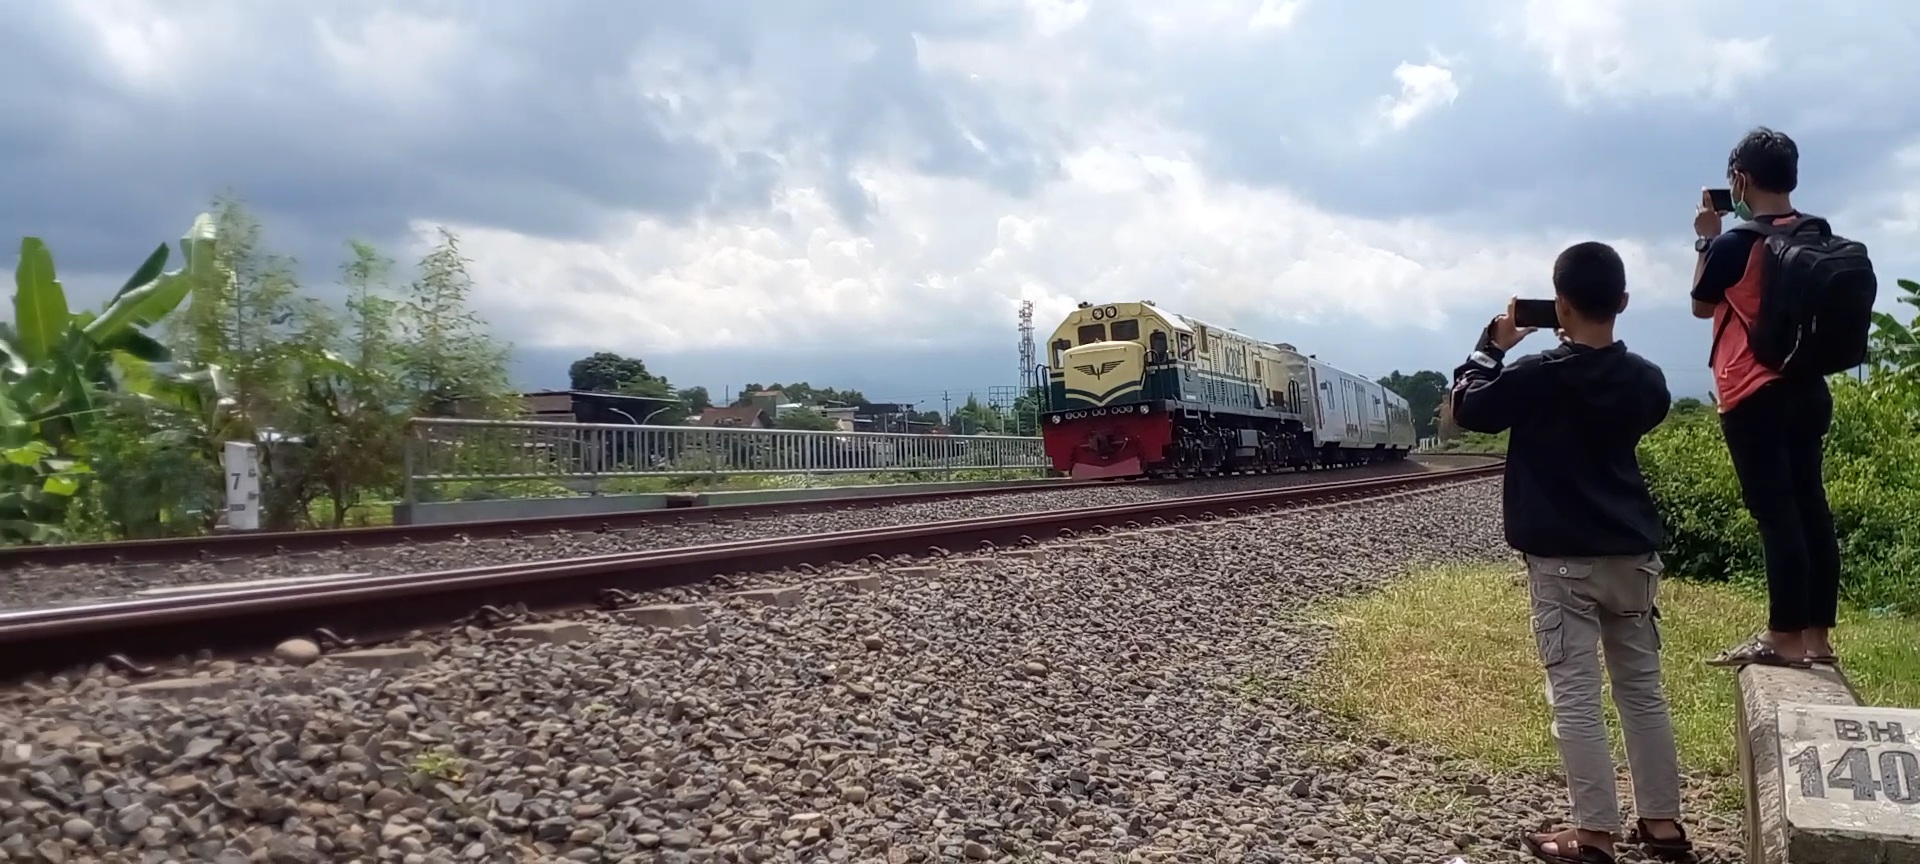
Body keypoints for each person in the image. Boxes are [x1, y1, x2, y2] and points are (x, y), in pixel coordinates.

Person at [1451, 242, 1694, 864]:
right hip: (1632, 557)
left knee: (1578, 698)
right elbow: (1632, 409)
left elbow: (1469, 406)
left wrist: (1491, 345)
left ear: (1560, 306)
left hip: (1563, 563)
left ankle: (1594, 836)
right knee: (1642, 691)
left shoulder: (1538, 375)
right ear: (1623, 302)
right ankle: (1662, 826)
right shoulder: (1647, 379)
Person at [1689, 127, 1843, 670]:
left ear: (1739, 180)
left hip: (1754, 392)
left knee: (1776, 513)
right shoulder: (1818, 234)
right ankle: (1816, 638)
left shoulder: (1736, 244)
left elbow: (1701, 305)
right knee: (1810, 506)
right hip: (1809, 387)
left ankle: (1783, 638)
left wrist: (1706, 238)